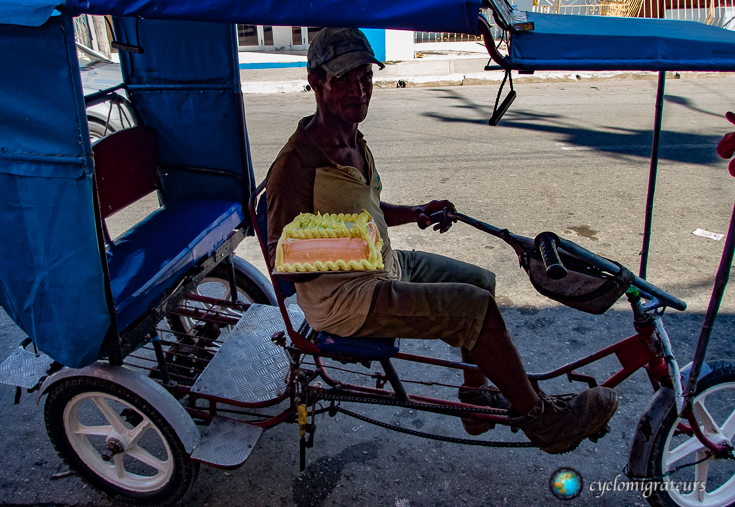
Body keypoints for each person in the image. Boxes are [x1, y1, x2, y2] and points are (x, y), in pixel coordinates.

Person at [265, 28, 618, 454]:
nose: (359, 91)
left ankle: (474, 402)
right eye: (344, 80)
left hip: (386, 266)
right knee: (473, 308)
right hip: (343, 299)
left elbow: (368, 209)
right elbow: (282, 260)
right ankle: (543, 421)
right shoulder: (295, 166)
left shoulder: (353, 139)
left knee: (481, 281)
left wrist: (414, 212)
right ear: (316, 81)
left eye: (366, 77)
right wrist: (355, 245)